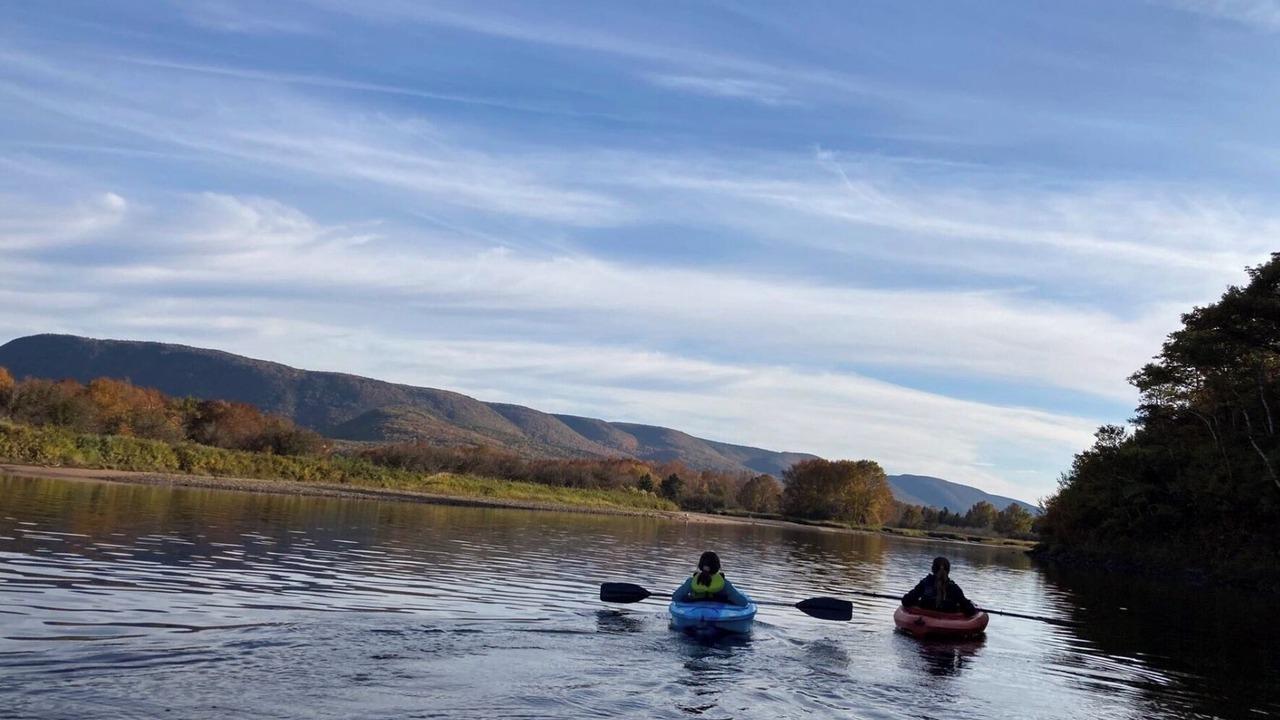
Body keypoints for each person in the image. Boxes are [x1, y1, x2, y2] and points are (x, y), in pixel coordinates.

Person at [902, 556, 978, 616]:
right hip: (948, 624)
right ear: (948, 571)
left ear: (932, 569)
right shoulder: (954, 588)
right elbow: (970, 611)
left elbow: (906, 601)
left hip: (925, 619)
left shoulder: (924, 584)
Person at [671, 551, 751, 606]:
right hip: (718, 616)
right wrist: (729, 600)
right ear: (718, 567)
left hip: (695, 615)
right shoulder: (725, 584)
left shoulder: (691, 582)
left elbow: (675, 597)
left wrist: (688, 598)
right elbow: (742, 602)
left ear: (700, 566)